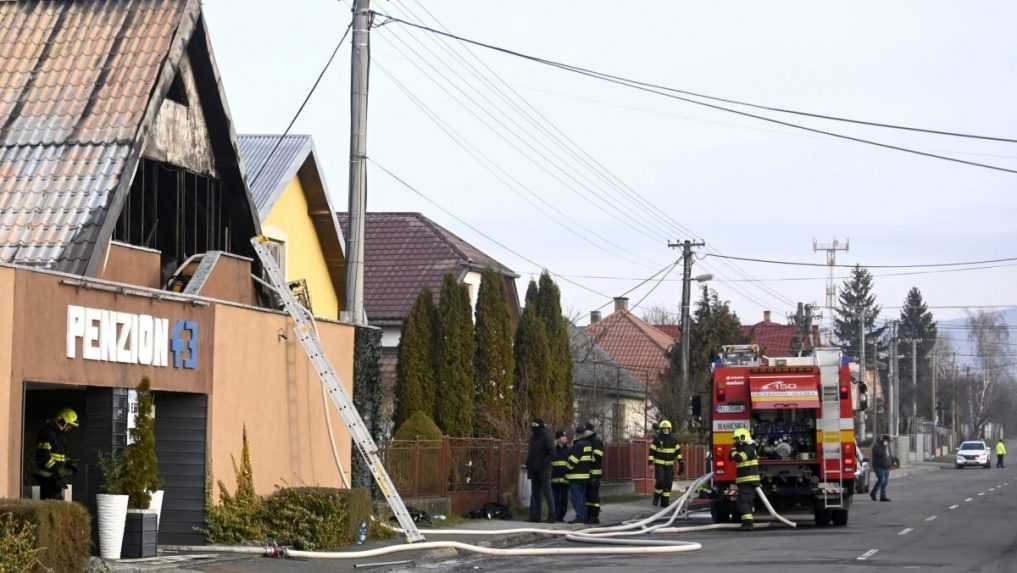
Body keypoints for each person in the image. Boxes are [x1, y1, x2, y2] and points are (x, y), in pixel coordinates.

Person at [34, 408, 79, 500]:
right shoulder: (47, 433)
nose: (70, 428)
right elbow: (43, 456)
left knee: (56, 504)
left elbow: (61, 455)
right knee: (52, 504)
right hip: (46, 477)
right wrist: (57, 471)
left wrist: (69, 463)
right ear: (62, 421)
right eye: (69, 425)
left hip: (54, 477)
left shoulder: (60, 435)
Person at [729, 426, 760, 530]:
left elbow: (739, 458)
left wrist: (733, 451)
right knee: (745, 501)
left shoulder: (749, 448)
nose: (736, 441)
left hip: (748, 479)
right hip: (746, 479)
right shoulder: (746, 447)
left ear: (743, 437)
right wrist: (734, 451)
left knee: (744, 501)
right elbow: (730, 457)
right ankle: (747, 523)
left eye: (738, 439)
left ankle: (748, 524)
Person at [525, 418, 555, 523]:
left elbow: (551, 453)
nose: (534, 429)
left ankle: (551, 515)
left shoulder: (546, 437)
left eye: (535, 427)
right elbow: (531, 453)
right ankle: (535, 515)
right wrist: (528, 463)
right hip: (534, 469)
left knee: (547, 492)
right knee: (535, 493)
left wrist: (543, 464)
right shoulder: (533, 437)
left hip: (544, 469)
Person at [648, 419, 683, 507]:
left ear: (670, 429)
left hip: (669, 465)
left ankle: (665, 502)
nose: (665, 431)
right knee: (660, 481)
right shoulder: (657, 440)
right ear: (661, 429)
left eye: (667, 429)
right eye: (663, 429)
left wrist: (681, 462)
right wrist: (650, 464)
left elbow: (678, 452)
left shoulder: (674, 440)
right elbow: (651, 452)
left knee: (668, 483)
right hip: (659, 465)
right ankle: (656, 497)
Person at [565, 425, 592, 524]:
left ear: (577, 434)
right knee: (582, 497)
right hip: (585, 475)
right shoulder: (588, 444)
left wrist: (566, 469)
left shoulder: (579, 445)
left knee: (577, 497)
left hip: (576, 476)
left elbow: (573, 460)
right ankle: (583, 516)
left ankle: (580, 517)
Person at [584, 421, 605, 524]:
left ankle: (594, 516)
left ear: (589, 431)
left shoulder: (596, 441)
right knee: (588, 495)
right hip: (588, 473)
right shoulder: (587, 440)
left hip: (594, 473)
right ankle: (589, 515)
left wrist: (588, 459)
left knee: (593, 496)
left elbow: (598, 456)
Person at [551, 431, 571, 521]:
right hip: (554, 479)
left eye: (565, 437)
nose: (565, 438)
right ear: (558, 438)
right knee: (555, 499)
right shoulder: (553, 449)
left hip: (565, 478)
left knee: (564, 500)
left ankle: (561, 516)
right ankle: (556, 516)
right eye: (563, 436)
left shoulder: (569, 449)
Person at [870, 434, 892, 502]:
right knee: (881, 480)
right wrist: (883, 446)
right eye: (888, 441)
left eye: (889, 441)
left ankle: (883, 496)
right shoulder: (877, 446)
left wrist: (892, 461)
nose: (889, 442)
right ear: (884, 440)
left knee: (885, 482)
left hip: (886, 467)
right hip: (879, 466)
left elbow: (888, 456)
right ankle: (873, 493)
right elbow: (879, 453)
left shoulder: (887, 447)